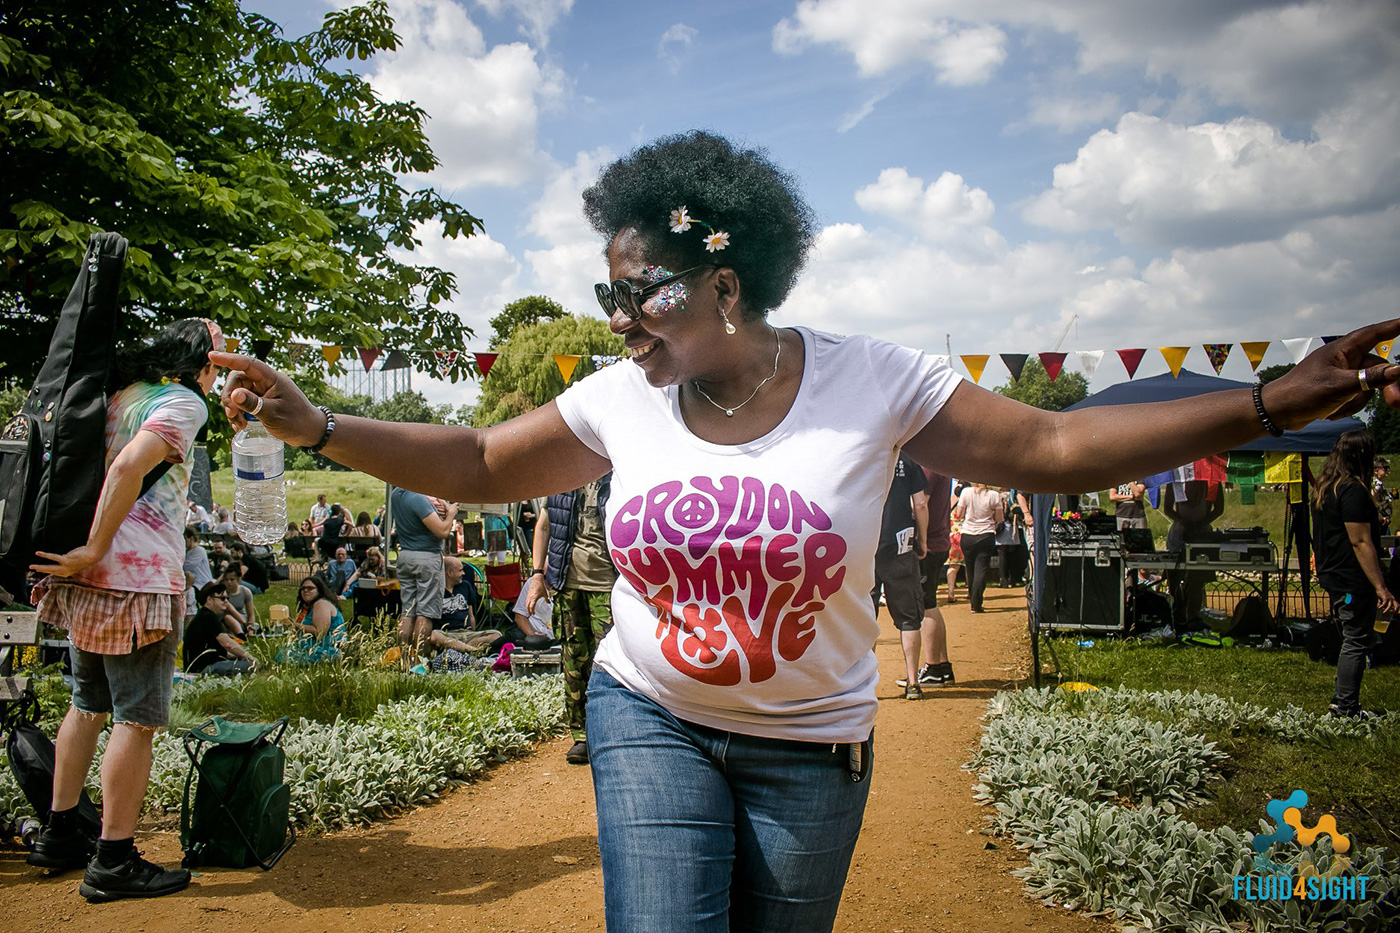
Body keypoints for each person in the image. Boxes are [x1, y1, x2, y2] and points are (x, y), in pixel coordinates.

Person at [214, 130, 1400, 933]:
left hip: (811, 747)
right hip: (650, 714)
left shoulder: (873, 381)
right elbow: (476, 461)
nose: (620, 317)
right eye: (606, 293)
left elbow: (1045, 449)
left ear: (726, 285)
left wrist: (1261, 403)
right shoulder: (621, 397)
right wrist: (318, 423)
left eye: (642, 291)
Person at [28, 317, 224, 901]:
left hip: (86, 578)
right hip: (136, 582)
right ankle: (114, 859)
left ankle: (61, 832)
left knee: (86, 705)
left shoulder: (121, 395)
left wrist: (86, 552)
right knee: (136, 719)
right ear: (203, 363)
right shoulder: (185, 402)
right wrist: (97, 547)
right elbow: (128, 466)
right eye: (222, 356)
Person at [526, 476, 617, 764]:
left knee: (613, 663)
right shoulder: (563, 476)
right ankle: (581, 736)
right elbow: (544, 524)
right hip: (568, 583)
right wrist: (537, 574)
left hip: (610, 585)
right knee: (574, 661)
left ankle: (616, 733)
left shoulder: (617, 473)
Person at [1313, 431, 1395, 719]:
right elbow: (1361, 541)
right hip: (1351, 575)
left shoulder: (1326, 488)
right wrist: (1380, 586)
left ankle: (1344, 702)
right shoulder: (1352, 490)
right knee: (1357, 638)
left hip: (1333, 572)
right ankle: (1345, 705)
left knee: (1355, 636)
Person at [871, 453, 928, 699]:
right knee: (908, 618)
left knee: (864, 615)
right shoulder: (909, 460)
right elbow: (921, 504)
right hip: (901, 546)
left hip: (867, 546)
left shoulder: (866, 453)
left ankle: (863, 684)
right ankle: (913, 682)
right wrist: (922, 539)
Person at [899, 466, 956, 690]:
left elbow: (919, 505)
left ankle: (934, 667)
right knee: (930, 602)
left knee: (925, 605)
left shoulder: (928, 467)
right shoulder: (938, 465)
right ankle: (940, 667)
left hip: (928, 543)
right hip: (937, 540)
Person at [391, 486, 457, 666]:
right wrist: (451, 513)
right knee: (425, 612)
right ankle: (419, 662)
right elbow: (442, 531)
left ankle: (405, 661)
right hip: (427, 557)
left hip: (405, 556)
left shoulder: (396, 493)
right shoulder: (418, 498)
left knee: (407, 611)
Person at [1162, 479, 1225, 627]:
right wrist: (1182, 521)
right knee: (1174, 576)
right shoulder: (1175, 478)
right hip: (1179, 534)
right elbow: (1167, 508)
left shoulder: (1212, 479)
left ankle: (1192, 616)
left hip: (1201, 534)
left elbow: (1219, 508)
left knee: (1198, 577)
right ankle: (1177, 613)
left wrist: (1200, 524)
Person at [184, 582, 256, 675]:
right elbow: (228, 644)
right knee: (251, 665)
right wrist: (250, 657)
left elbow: (223, 653)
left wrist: (240, 655)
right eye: (222, 598)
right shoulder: (208, 617)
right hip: (202, 668)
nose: (226, 601)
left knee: (243, 661)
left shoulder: (205, 616)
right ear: (210, 600)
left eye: (227, 598)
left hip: (200, 666)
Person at [952, 482, 1004, 613]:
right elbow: (999, 518)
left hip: (968, 534)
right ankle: (977, 602)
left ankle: (973, 601)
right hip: (986, 534)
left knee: (970, 569)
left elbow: (959, 514)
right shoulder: (994, 495)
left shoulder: (966, 492)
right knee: (981, 569)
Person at [280, 576, 346, 665]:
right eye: (303, 588)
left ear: (319, 590)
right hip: (316, 646)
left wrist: (295, 625)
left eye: (310, 588)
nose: (305, 590)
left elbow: (320, 632)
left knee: (285, 656)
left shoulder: (321, 604)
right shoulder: (309, 606)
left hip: (326, 649)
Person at [220, 564, 257, 635]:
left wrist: (251, 629)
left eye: (232, 579)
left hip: (241, 619)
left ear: (239, 579)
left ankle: (239, 635)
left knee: (228, 619)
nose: (229, 582)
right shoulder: (222, 593)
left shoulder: (245, 592)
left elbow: (251, 614)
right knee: (226, 619)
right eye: (226, 580)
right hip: (224, 620)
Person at [1372, 457, 1393, 532]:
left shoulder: (1379, 484)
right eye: (1385, 468)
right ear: (1376, 470)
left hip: (1384, 521)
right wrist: (1379, 517)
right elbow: (1372, 500)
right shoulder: (1375, 484)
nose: (1387, 470)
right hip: (1380, 522)